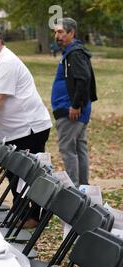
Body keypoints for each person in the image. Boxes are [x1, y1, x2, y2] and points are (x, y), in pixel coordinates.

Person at [0, 28, 52, 229]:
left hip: (30, 128)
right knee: (13, 173)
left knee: (26, 174)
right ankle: (20, 213)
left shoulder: (6, 62)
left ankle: (32, 217)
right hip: (15, 131)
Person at [52, 18, 97, 187]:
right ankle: (83, 188)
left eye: (61, 32)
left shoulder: (75, 53)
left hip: (71, 111)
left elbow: (83, 79)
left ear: (72, 33)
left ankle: (75, 189)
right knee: (79, 149)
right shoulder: (72, 52)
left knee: (68, 150)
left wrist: (76, 105)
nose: (57, 36)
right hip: (73, 110)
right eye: (55, 32)